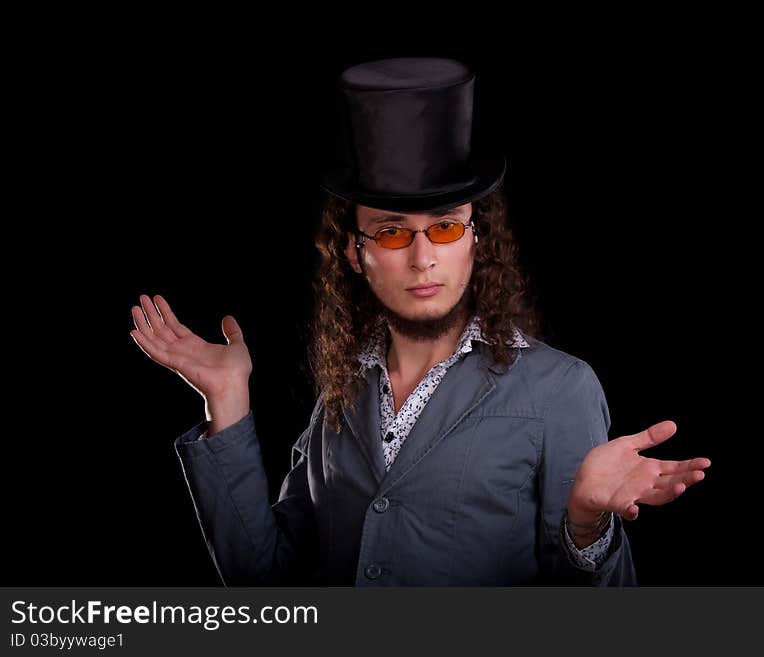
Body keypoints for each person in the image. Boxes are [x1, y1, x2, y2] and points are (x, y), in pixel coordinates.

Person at [130, 57, 710, 586]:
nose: (422, 255)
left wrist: (588, 530)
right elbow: (266, 580)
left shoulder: (562, 390)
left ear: (476, 240)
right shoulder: (340, 394)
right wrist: (227, 403)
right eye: (389, 230)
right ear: (356, 253)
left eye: (447, 226)